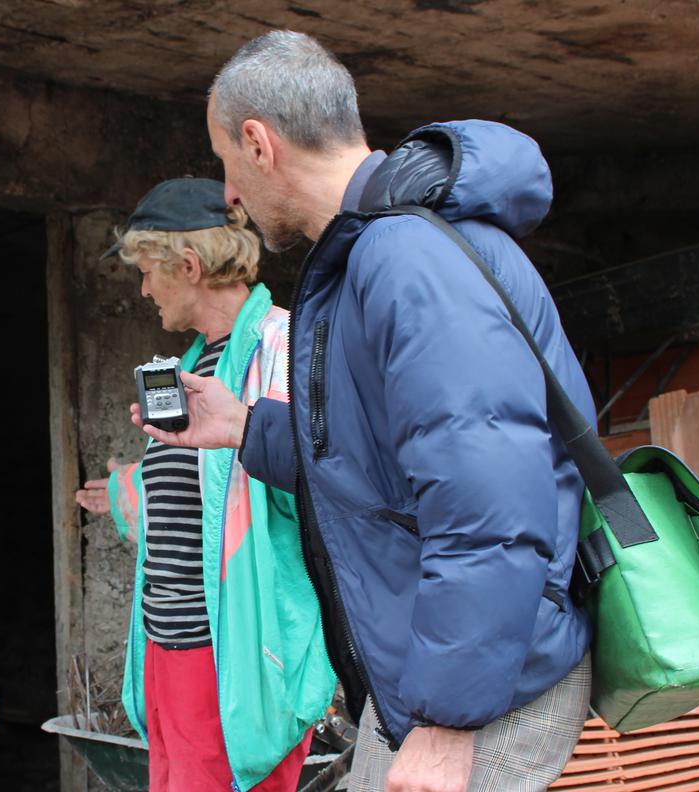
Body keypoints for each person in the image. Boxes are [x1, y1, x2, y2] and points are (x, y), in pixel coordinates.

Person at [137, 32, 595, 792]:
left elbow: (488, 503)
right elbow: (376, 466)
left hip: (488, 690)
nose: (229, 196)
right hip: (445, 671)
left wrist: (447, 723)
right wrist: (246, 428)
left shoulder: (404, 258)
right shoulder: (367, 256)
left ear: (259, 143)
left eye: (224, 163)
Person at [74, 177, 336, 792]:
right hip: (168, 654)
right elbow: (209, 495)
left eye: (146, 271)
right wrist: (126, 489)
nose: (141, 288)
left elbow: (321, 483)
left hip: (234, 661)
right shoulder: (189, 367)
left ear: (188, 264)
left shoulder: (284, 345)